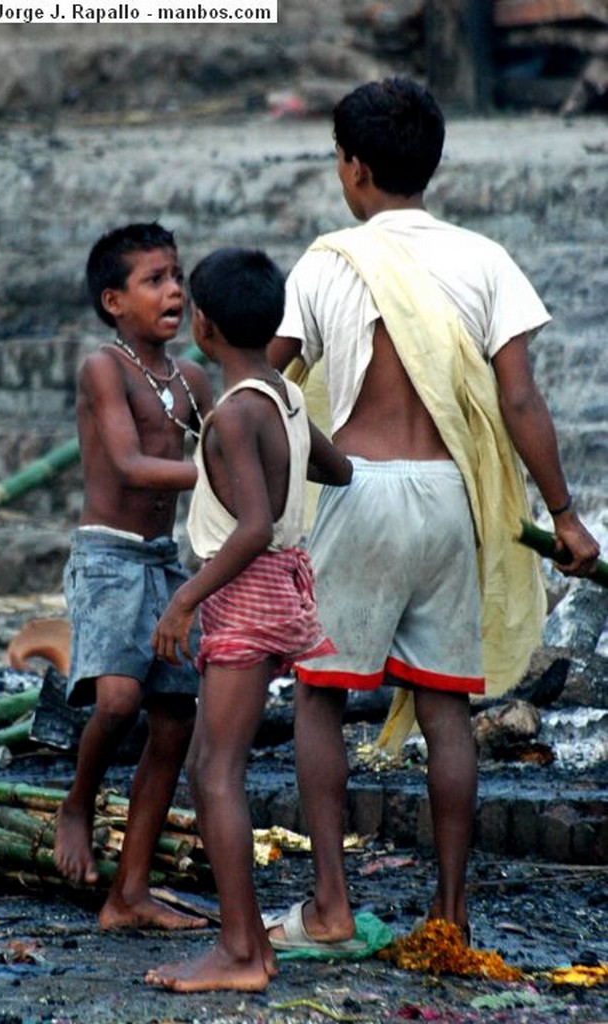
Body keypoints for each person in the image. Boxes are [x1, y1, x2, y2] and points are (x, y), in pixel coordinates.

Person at [266, 78, 600, 950]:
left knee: (319, 697)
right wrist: (564, 515)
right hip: (451, 501)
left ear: (354, 167)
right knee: (447, 710)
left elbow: (269, 385)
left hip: (358, 491)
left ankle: (331, 909)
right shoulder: (485, 260)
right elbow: (522, 401)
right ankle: (450, 919)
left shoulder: (327, 260)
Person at [143, 246, 353, 992]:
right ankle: (249, 948)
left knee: (216, 773)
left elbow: (255, 524)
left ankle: (239, 953)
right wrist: (285, 460)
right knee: (211, 764)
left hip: (246, 589)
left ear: (203, 323)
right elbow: (338, 468)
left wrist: (184, 597)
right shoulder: (285, 397)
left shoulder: (234, 414)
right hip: (282, 585)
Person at [55, 221, 213, 932]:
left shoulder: (193, 380)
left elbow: (234, 431)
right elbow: (127, 465)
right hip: (108, 557)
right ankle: (77, 803)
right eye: (154, 280)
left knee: (176, 719)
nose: (173, 289)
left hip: (162, 561)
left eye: (177, 276)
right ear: (115, 301)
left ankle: (131, 893)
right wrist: (222, 477)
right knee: (118, 699)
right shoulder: (105, 368)